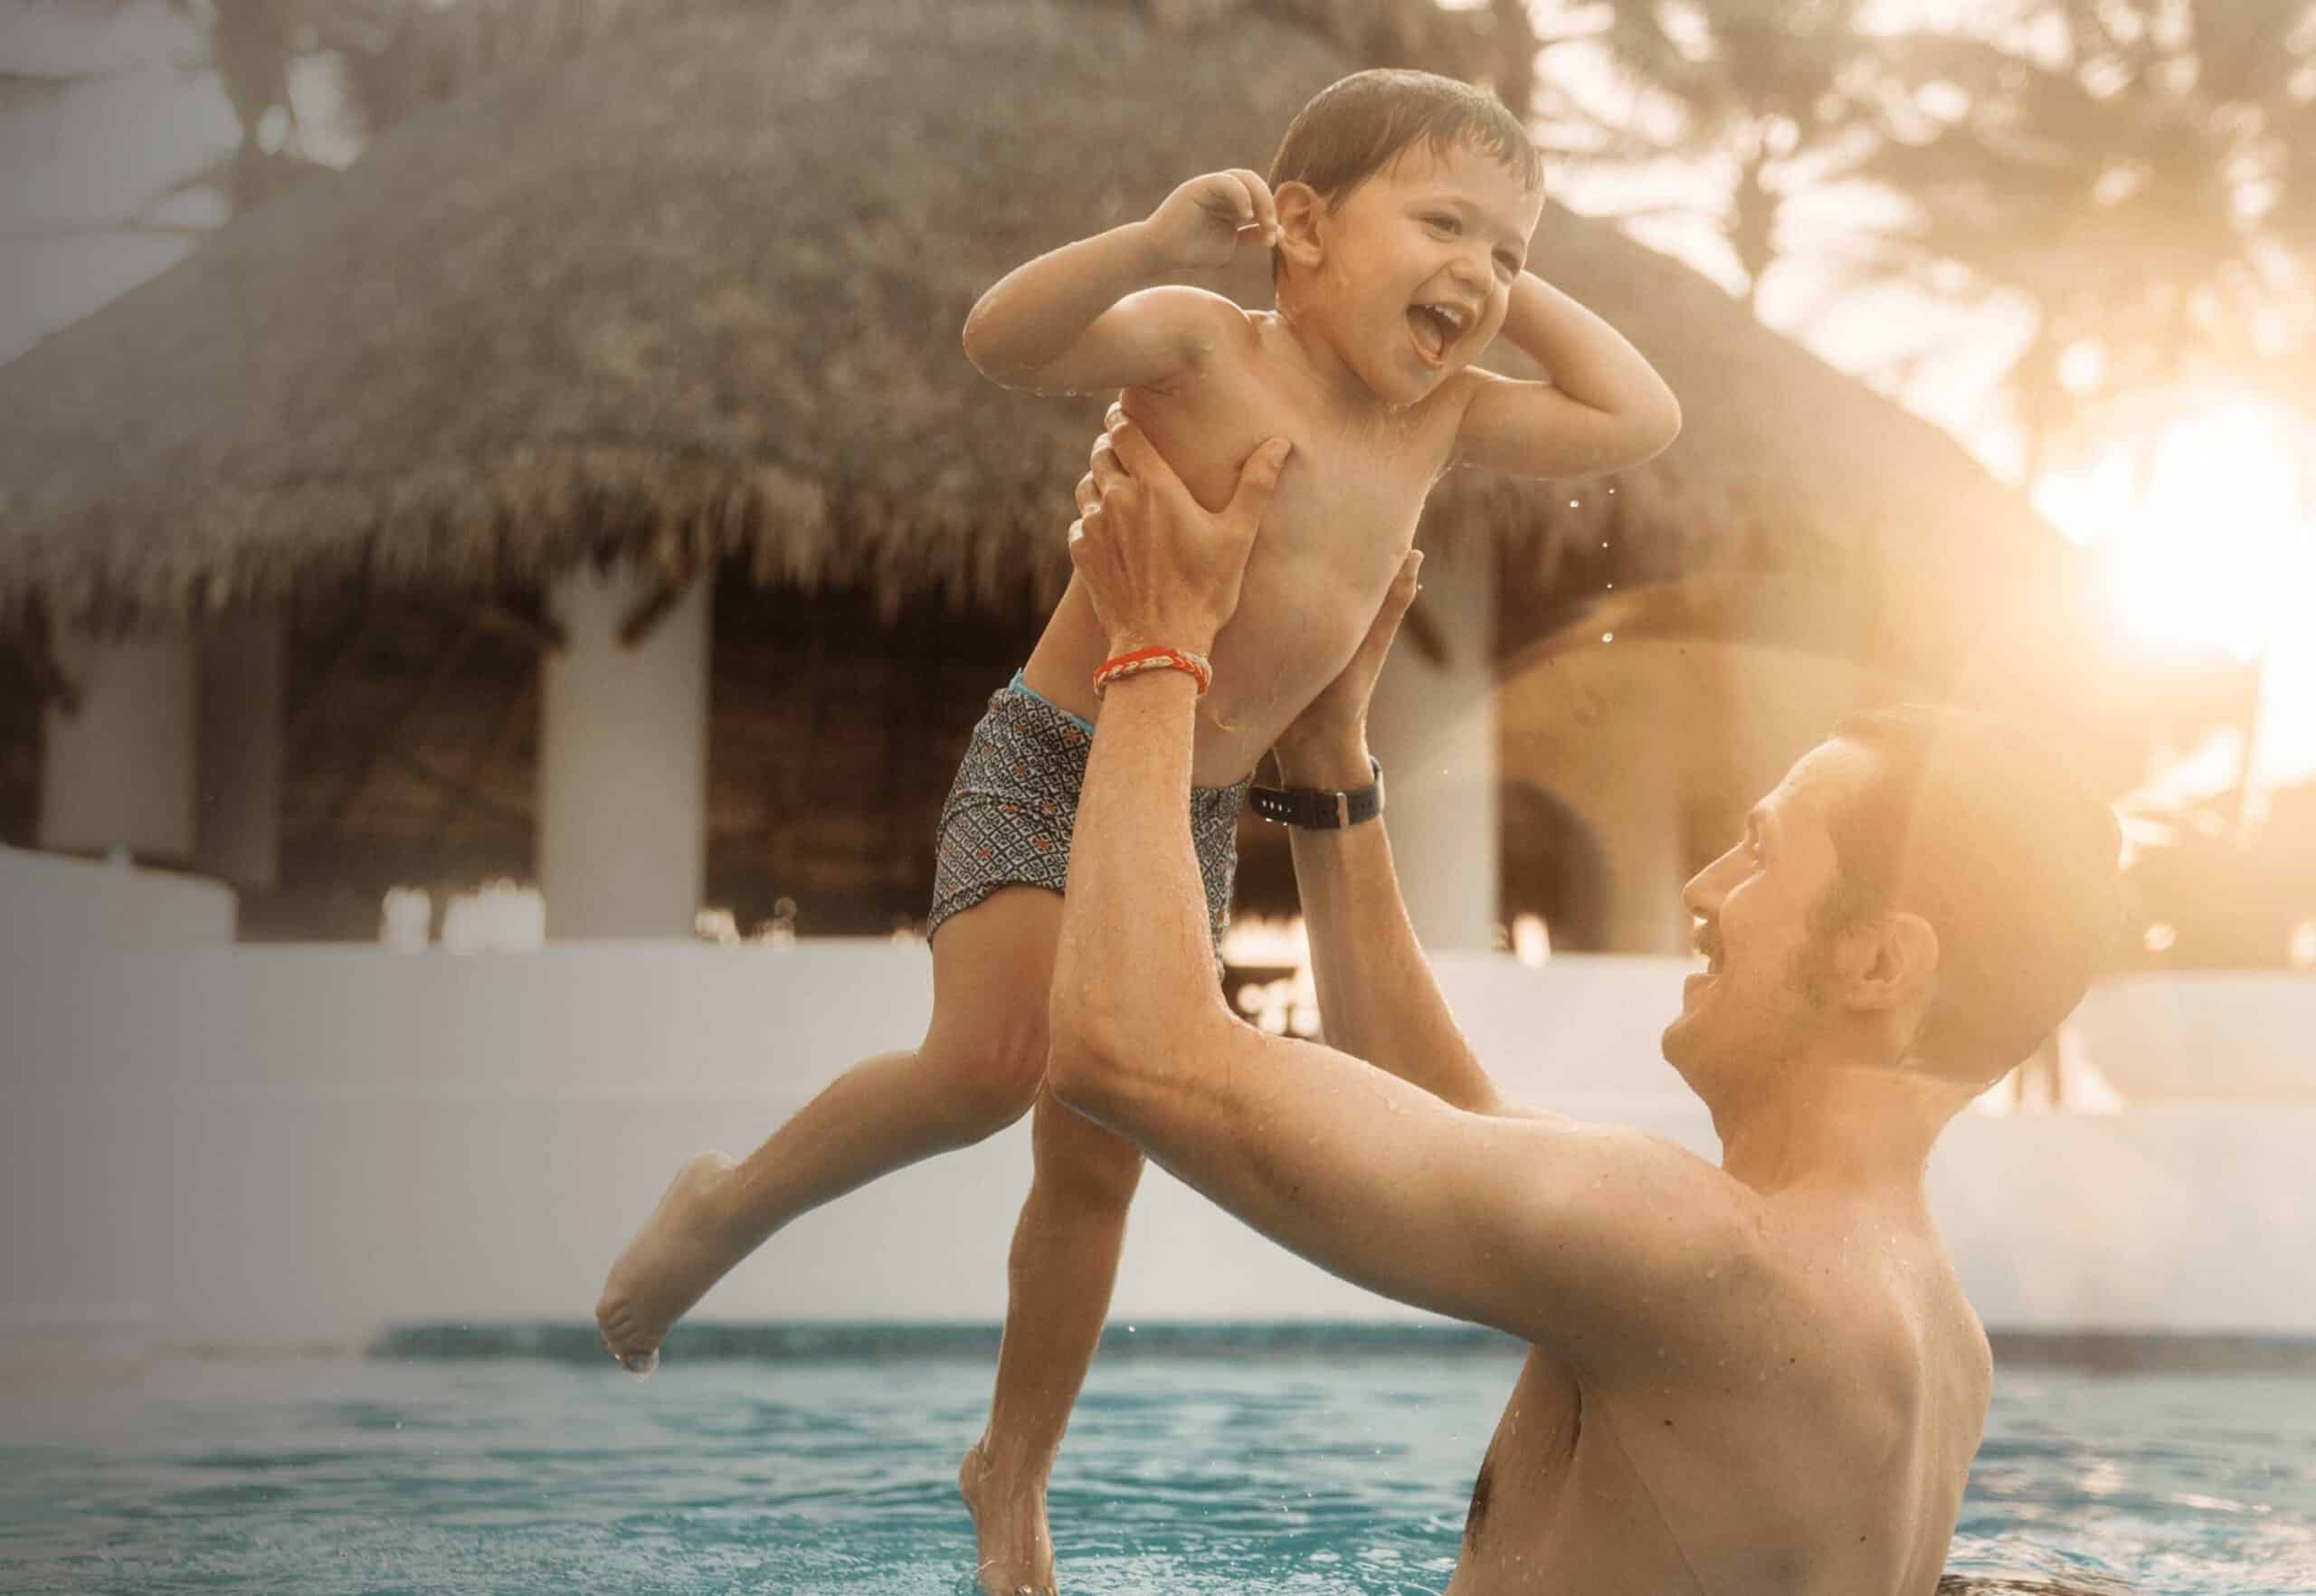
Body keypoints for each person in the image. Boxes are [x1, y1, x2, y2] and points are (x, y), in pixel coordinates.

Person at [597, 67, 1679, 1592]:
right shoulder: (1198, 343)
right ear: (1299, 227)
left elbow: (1642, 416)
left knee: (1100, 1168)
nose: (1481, 278)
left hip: (1195, 811)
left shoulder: (1443, 414)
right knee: (986, 1069)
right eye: (1441, 224)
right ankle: (728, 1203)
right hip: (1056, 761)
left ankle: (1012, 1476)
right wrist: (1145, 239)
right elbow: (1003, 341)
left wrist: (1492, 270)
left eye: (1507, 253)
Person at [1043, 410, 2124, 1594]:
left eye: (1760, 855)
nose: (1707, 890)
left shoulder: (1715, 1261)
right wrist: (1330, 765)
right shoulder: (1916, 1323)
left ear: (1878, 966)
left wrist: (1156, 642)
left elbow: (1127, 1048)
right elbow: (1440, 1112)